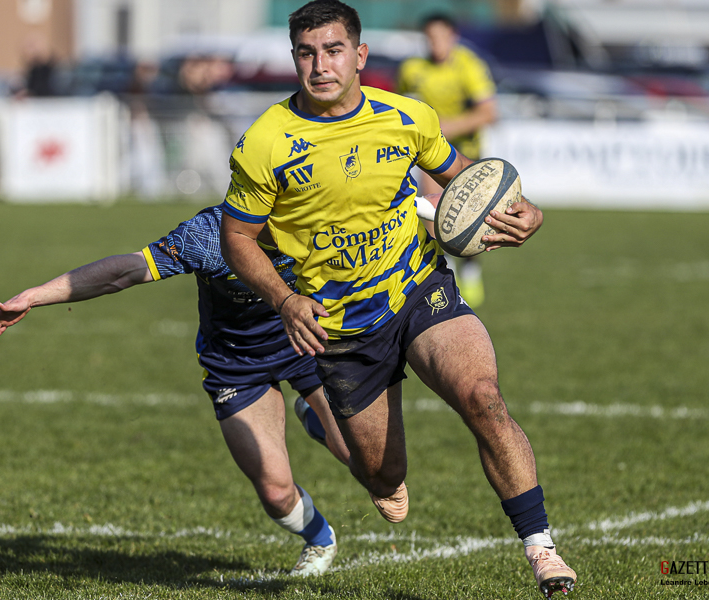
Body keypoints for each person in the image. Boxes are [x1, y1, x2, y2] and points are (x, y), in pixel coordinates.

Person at [217, 1, 576, 596]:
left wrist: (520, 210)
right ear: (293, 59)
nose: (320, 65)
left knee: (482, 396)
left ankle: (542, 549)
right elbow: (237, 238)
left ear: (360, 55)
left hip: (416, 288)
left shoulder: (407, 116)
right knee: (387, 480)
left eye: (333, 50)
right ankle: (328, 426)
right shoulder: (264, 142)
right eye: (307, 53)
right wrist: (283, 300)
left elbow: (466, 182)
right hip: (342, 329)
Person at [0, 205, 350, 577]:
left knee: (359, 457)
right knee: (277, 495)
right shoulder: (209, 234)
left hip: (306, 344)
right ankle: (319, 538)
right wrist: (34, 296)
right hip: (236, 363)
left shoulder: (320, 219)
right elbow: (123, 272)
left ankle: (317, 417)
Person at [397, 13, 499, 307]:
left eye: (441, 37)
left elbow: (489, 113)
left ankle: (470, 265)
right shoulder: (411, 69)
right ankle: (445, 268)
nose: (435, 43)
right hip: (430, 151)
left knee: (473, 218)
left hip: (467, 153)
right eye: (430, 37)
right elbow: (398, 108)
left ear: (453, 37)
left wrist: (446, 127)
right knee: (432, 205)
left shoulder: (468, 65)